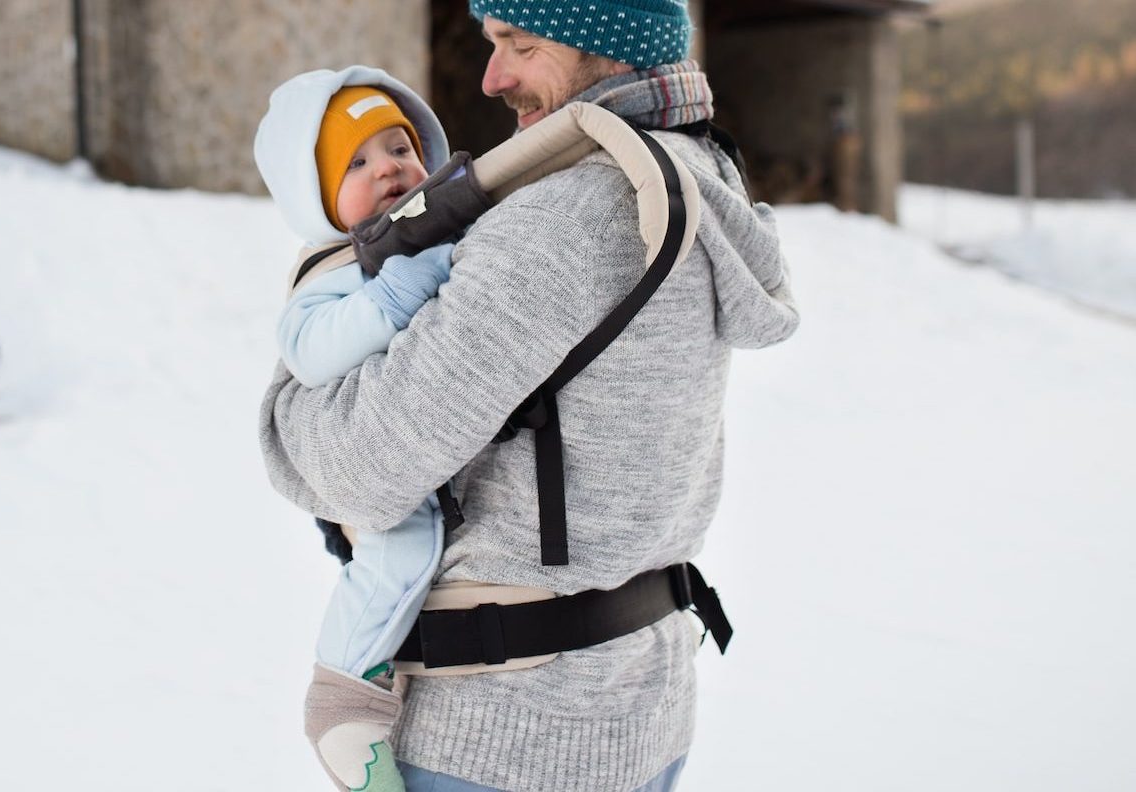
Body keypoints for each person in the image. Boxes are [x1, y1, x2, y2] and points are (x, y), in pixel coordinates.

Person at [258, 2, 802, 790]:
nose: (492, 78)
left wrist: (290, 395)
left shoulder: (562, 220)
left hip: (502, 735)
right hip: (635, 708)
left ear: (602, 37)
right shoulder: (696, 176)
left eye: (520, 43)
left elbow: (362, 466)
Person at [253, 66, 461, 792]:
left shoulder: (432, 231)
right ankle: (343, 696)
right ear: (316, 195)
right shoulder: (331, 267)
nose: (388, 169)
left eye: (400, 148)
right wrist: (394, 295)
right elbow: (309, 351)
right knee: (400, 549)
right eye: (357, 163)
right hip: (369, 465)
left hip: (426, 444)